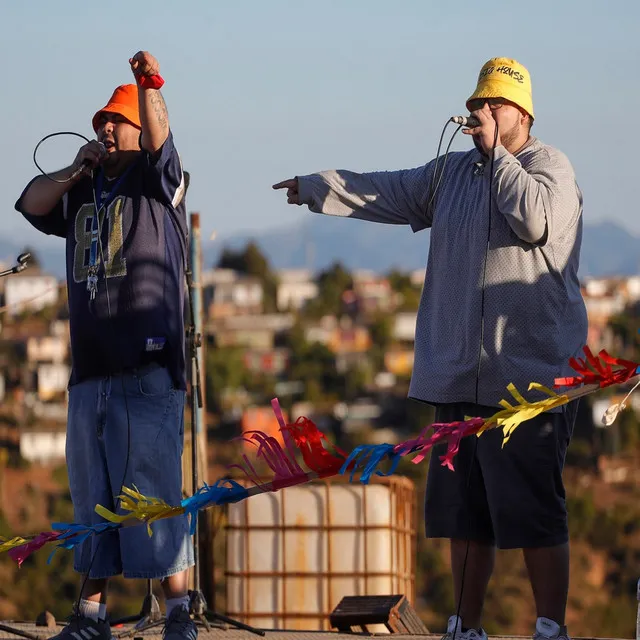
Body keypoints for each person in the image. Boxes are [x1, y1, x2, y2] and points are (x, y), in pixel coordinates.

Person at [273, 57, 587, 640]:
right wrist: (317, 187)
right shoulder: (452, 174)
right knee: (465, 514)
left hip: (529, 383)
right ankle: (465, 627)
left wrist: (499, 159)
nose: (480, 114)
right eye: (475, 105)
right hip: (456, 377)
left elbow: (534, 222)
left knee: (533, 512)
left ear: (522, 112)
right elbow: (388, 189)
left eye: (493, 105)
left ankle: (550, 628)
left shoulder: (551, 168)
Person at [15, 51, 197, 640]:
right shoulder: (83, 190)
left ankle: (177, 613)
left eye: (117, 121)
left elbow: (164, 133)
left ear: (140, 130)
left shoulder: (157, 181)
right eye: (102, 122)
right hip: (91, 369)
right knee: (93, 497)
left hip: (148, 366)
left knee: (155, 492)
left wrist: (149, 83)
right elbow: (30, 202)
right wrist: (74, 170)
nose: (106, 128)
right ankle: (92, 615)